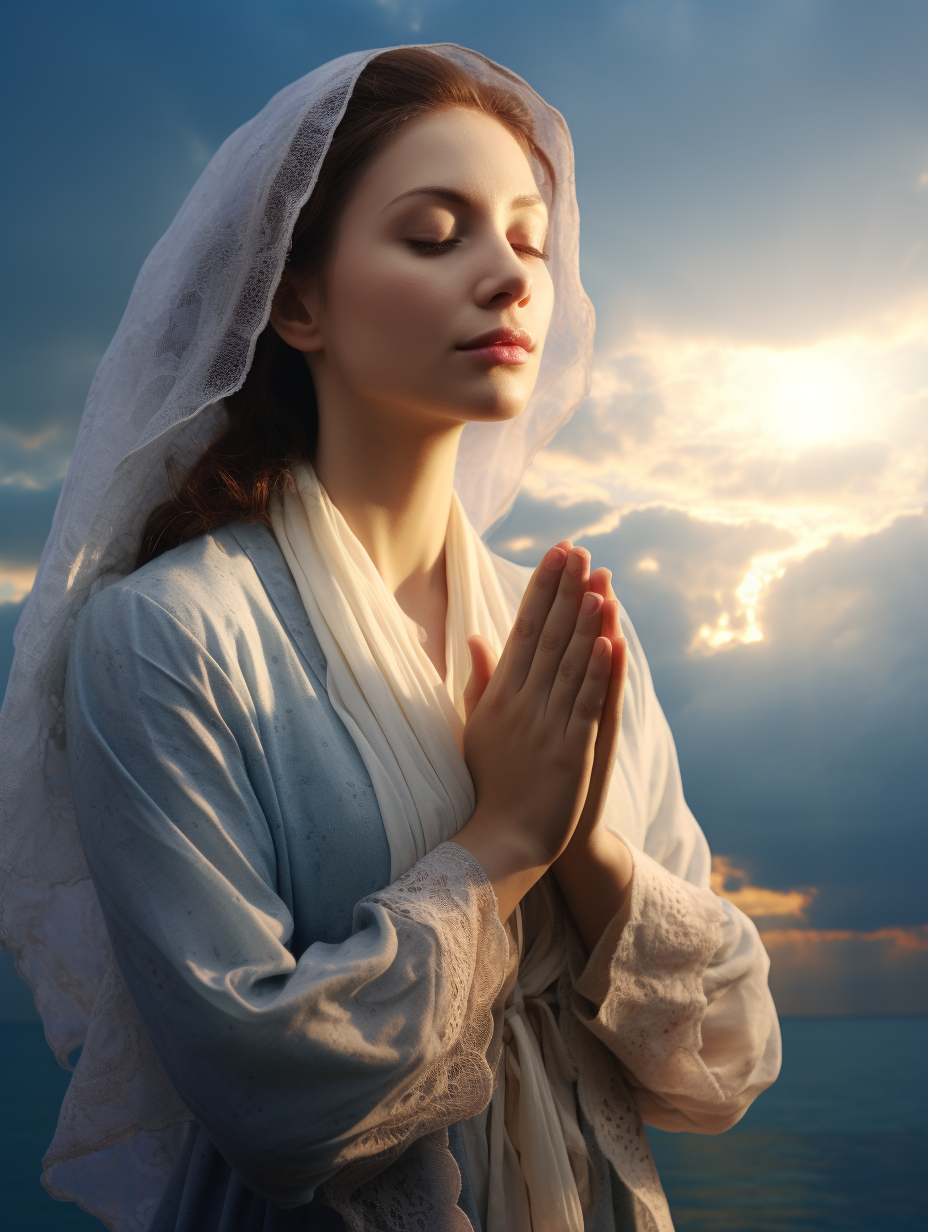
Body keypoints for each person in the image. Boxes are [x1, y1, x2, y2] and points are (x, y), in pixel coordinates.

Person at [0, 44, 781, 1232]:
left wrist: (593, 861)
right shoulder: (168, 634)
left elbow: (725, 1062)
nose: (512, 278)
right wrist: (507, 837)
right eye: (434, 234)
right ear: (295, 298)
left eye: (529, 239)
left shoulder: (560, 630)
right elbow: (266, 1100)